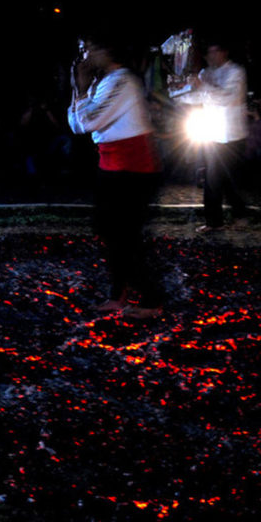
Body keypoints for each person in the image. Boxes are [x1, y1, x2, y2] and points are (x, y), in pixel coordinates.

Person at [67, 35, 164, 319]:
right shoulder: (103, 83)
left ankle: (151, 300)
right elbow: (76, 124)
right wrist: (80, 89)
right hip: (113, 167)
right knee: (109, 231)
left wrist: (81, 89)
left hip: (134, 170)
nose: (84, 56)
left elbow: (87, 122)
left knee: (124, 236)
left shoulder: (122, 82)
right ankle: (118, 293)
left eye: (89, 49)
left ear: (106, 50)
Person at [184, 38, 249, 232]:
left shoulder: (236, 72)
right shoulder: (206, 73)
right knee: (221, 179)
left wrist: (202, 86)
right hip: (212, 133)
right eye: (208, 53)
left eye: (214, 52)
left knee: (216, 178)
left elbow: (229, 98)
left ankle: (217, 221)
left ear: (224, 52)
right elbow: (197, 98)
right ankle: (235, 216)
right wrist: (180, 91)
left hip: (231, 135)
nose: (211, 57)